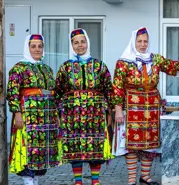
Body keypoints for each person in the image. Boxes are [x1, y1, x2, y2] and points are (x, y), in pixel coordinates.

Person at [112, 27, 179, 185]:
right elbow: (117, 87)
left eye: (145, 41)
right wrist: (118, 109)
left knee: (150, 143)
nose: (142, 44)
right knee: (131, 145)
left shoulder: (155, 59)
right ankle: (132, 179)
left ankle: (145, 177)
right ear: (134, 42)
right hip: (131, 106)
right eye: (139, 41)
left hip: (152, 106)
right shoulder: (124, 62)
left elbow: (170, 65)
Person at [55, 28, 113, 185]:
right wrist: (58, 114)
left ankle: (95, 181)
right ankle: (78, 181)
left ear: (88, 43)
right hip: (72, 115)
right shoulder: (65, 67)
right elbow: (58, 92)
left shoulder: (99, 66)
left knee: (95, 145)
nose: (80, 45)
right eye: (76, 43)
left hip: (95, 114)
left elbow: (109, 90)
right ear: (71, 45)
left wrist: (110, 113)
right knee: (76, 147)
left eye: (83, 42)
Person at [7, 34, 61, 185]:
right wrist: (17, 113)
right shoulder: (19, 68)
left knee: (39, 155)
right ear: (27, 48)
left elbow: (53, 93)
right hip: (27, 117)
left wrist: (55, 114)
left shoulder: (47, 69)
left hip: (44, 118)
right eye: (33, 46)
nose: (37, 49)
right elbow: (12, 92)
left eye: (40, 46)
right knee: (27, 153)